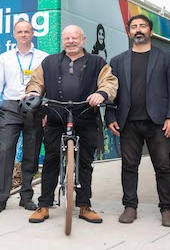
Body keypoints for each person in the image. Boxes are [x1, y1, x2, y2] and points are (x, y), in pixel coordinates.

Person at [25, 25, 118, 224]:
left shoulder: (97, 62)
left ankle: (84, 206)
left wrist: (101, 94)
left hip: (85, 115)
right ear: (63, 40)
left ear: (83, 39)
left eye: (74, 37)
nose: (70, 41)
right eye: (67, 38)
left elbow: (109, 82)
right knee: (50, 161)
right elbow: (36, 82)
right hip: (56, 116)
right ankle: (44, 205)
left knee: (85, 163)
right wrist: (34, 93)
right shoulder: (49, 62)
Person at [105, 14, 170, 227]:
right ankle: (130, 206)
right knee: (129, 166)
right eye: (134, 27)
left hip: (158, 123)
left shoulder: (165, 57)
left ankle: (167, 209)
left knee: (163, 166)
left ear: (150, 31)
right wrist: (110, 116)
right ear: (129, 32)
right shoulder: (118, 61)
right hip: (128, 122)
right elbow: (112, 91)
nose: (138, 30)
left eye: (143, 26)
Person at [0, 20, 48, 214]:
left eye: (27, 31)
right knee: (6, 151)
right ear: (14, 34)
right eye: (20, 31)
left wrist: (46, 111)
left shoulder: (43, 57)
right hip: (10, 107)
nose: (24, 34)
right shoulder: (5, 58)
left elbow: (48, 84)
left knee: (31, 153)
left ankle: (26, 197)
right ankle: (0, 198)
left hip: (35, 108)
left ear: (33, 33)